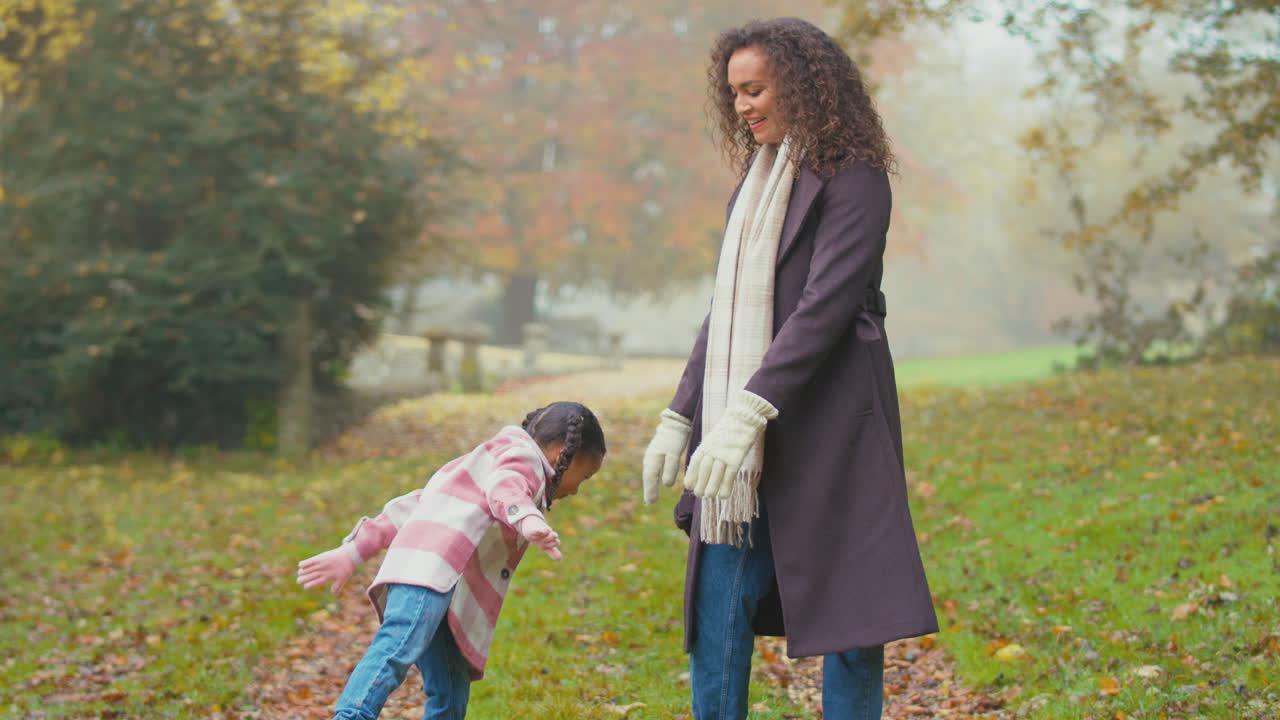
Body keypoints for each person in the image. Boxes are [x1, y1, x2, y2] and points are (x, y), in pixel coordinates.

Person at [640, 18, 938, 720]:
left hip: (836, 421)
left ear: (802, 86)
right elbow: (726, 311)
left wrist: (748, 410)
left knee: (852, 616)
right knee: (719, 600)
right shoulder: (756, 180)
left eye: (755, 89)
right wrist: (680, 416)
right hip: (742, 436)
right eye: (734, 93)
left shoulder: (856, 178)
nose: (742, 106)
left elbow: (825, 307)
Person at [298, 402, 606, 720]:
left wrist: (350, 552)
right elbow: (507, 489)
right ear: (560, 453)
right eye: (585, 476)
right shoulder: (521, 460)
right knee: (396, 648)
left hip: (444, 586)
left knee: (450, 681)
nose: (578, 489)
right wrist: (527, 518)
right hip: (428, 571)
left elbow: (414, 506)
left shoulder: (479, 464)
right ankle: (352, 715)